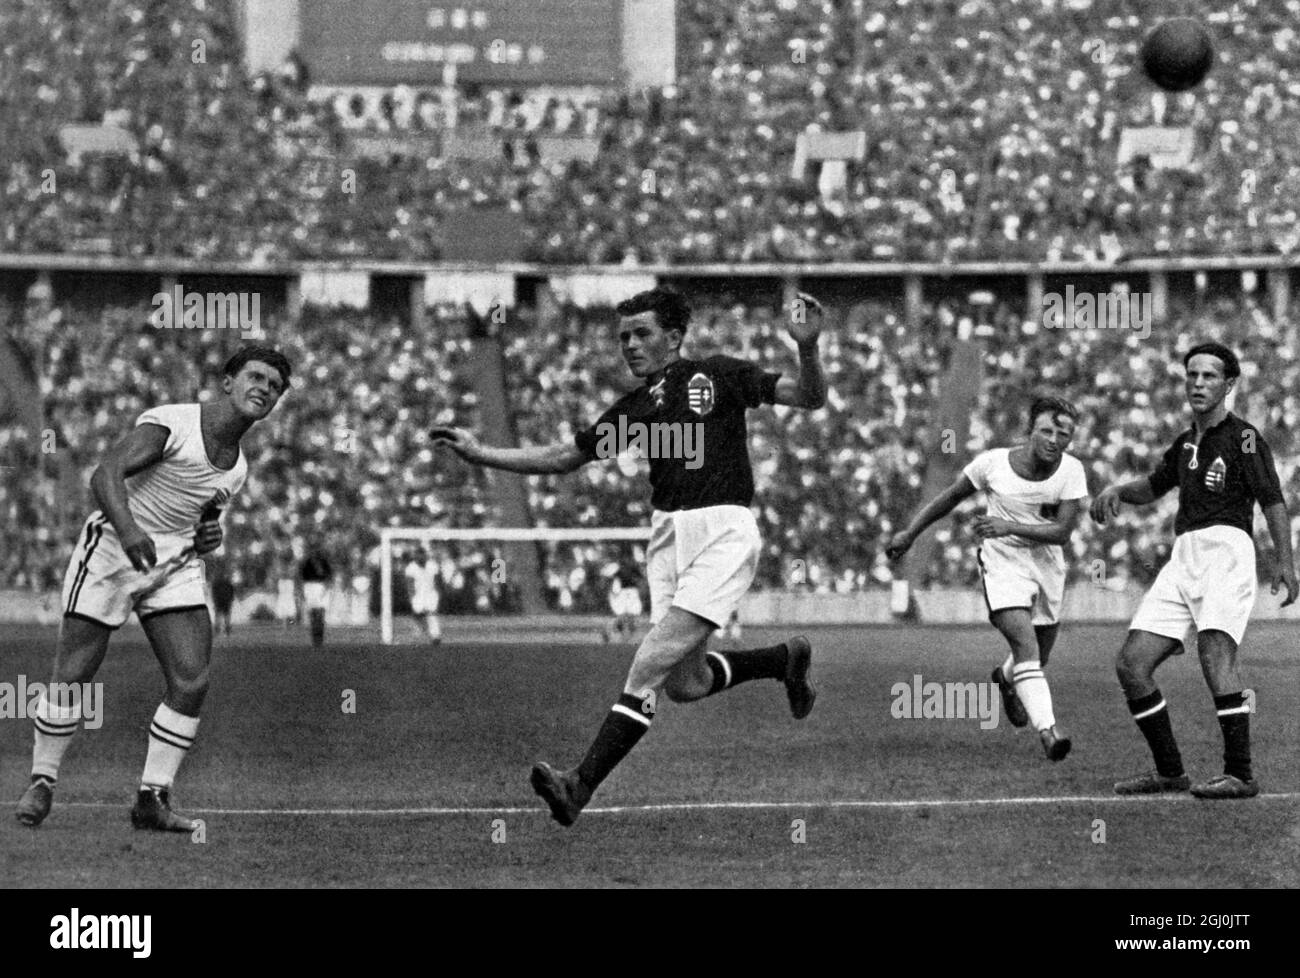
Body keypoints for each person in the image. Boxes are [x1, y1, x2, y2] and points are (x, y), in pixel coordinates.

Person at [433, 286, 828, 826]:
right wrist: (481, 453)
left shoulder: (717, 374)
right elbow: (566, 456)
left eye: (642, 333)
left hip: (723, 531)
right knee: (683, 684)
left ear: (673, 336)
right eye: (623, 337)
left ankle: (579, 785)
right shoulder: (637, 407)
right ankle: (782, 660)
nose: (630, 345)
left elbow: (808, 396)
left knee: (644, 667)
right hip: (666, 538)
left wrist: (807, 347)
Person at [15, 345, 291, 830]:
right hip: (113, 549)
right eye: (256, 376)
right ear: (228, 382)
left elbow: (205, 521)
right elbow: (106, 474)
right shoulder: (174, 423)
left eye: (274, 386)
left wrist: (212, 536)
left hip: (175, 564)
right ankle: (42, 780)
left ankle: (151, 798)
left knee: (192, 678)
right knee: (75, 670)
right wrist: (129, 531)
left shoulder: (238, 468)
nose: (264, 389)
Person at [1091, 342, 1296, 799]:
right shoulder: (1185, 442)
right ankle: (1169, 772)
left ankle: (1240, 774)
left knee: (1214, 653)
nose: (1198, 383)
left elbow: (1273, 500)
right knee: (1132, 664)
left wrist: (1286, 562)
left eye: (1209, 376)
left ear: (1228, 385)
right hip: (1183, 555)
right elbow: (1155, 485)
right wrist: (1117, 491)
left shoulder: (1244, 437)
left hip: (1227, 549)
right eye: (1192, 375)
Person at [886, 395, 1086, 761]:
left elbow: (1061, 533)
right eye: (1046, 430)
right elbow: (948, 498)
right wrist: (910, 534)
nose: (1054, 439)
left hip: (1047, 565)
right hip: (1003, 563)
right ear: (1029, 431)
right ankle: (1049, 731)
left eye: (1064, 434)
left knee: (1038, 655)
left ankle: (1006, 680)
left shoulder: (1072, 472)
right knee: (1026, 645)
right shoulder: (993, 464)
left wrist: (1007, 524)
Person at [404, 548, 442, 646]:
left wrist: (438, 593)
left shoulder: (432, 565)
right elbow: (409, 583)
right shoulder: (411, 567)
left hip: (431, 593)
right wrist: (411, 597)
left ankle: (435, 636)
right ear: (415, 556)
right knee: (418, 615)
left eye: (422, 555)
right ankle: (418, 635)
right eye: (418, 555)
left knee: (431, 614)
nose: (420, 557)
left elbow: (438, 580)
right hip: (418, 595)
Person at [300, 546, 333, 647]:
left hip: (320, 585)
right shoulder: (307, 563)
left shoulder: (323, 562)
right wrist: (303, 590)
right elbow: (302, 577)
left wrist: (326, 587)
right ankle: (315, 638)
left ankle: (320, 637)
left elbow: (329, 575)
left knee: (320, 613)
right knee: (313, 613)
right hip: (310, 586)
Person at [210, 560, 235, 637]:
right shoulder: (227, 581)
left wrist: (214, 600)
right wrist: (231, 599)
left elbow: (213, 592)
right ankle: (227, 631)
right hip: (226, 600)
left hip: (220, 600)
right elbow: (232, 590)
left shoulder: (216, 582)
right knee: (226, 616)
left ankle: (218, 631)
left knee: (219, 616)